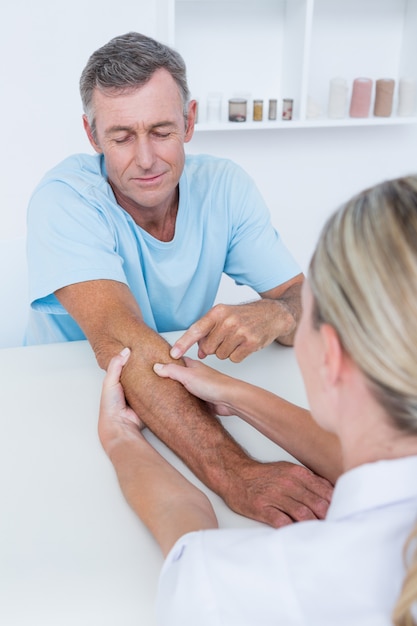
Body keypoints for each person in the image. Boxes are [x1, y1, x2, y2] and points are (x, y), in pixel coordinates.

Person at [25, 31, 334, 526]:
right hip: (60, 393)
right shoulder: (64, 199)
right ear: (91, 135)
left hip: (171, 387)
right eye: (122, 137)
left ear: (190, 121)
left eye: (162, 131)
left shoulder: (225, 187)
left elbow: (306, 303)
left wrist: (277, 312)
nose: (146, 159)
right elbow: (120, 343)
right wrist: (238, 475)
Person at [98, 175, 417, 625]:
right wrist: (238, 394)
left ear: (331, 356)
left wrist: (121, 440)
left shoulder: (264, 587)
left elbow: (186, 535)